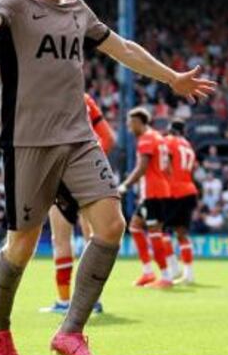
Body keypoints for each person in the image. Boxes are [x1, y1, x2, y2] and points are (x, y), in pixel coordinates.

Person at [0, 0, 215, 355]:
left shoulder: (78, 10)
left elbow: (122, 47)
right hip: (27, 142)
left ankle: (70, 332)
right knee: (21, 248)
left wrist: (173, 77)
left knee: (111, 225)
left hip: (77, 137)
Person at [42, 93, 115, 313]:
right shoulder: (85, 99)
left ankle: (64, 302)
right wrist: (91, 164)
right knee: (93, 239)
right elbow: (108, 138)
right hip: (87, 174)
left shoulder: (41, 98)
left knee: (61, 240)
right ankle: (92, 301)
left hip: (59, 175)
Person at [119, 108, 175, 288]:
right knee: (135, 226)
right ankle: (148, 272)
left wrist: (124, 185)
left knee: (154, 233)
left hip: (154, 192)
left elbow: (142, 167)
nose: (128, 126)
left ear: (138, 122)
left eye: (130, 122)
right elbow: (168, 166)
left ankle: (166, 276)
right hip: (156, 191)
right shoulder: (158, 137)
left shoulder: (147, 139)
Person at [163, 120, 199, 285]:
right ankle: (189, 273)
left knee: (160, 229)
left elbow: (167, 164)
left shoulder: (169, 141)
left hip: (174, 190)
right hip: (189, 189)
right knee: (181, 232)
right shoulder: (188, 146)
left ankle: (173, 267)